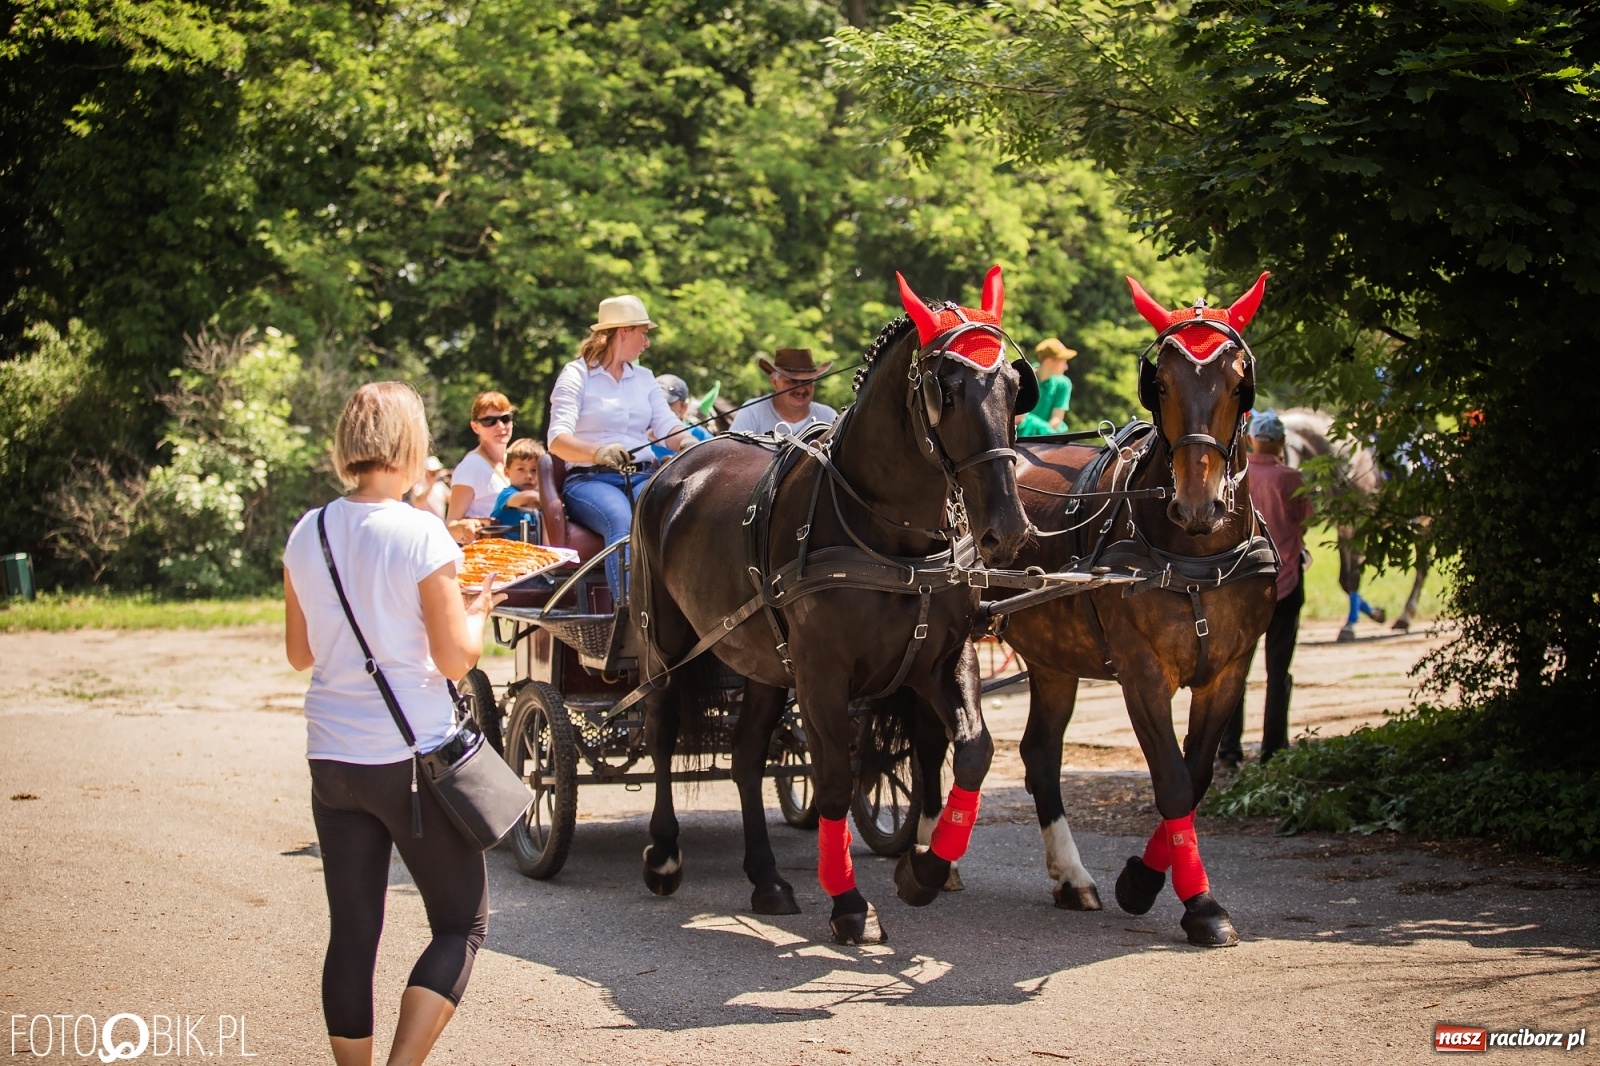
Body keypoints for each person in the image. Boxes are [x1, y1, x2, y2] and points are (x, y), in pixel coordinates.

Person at [282, 382, 504, 1066]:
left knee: (352, 934)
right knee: (459, 924)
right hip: (409, 758)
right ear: (408, 445)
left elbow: (299, 653)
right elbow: (455, 658)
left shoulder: (308, 529)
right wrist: (479, 607)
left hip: (333, 758)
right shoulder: (420, 532)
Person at [546, 294, 688, 595]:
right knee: (621, 519)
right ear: (624, 331)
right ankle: (629, 617)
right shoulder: (577, 374)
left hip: (641, 476)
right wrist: (598, 452)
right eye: (644, 333)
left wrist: (689, 441)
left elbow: (666, 425)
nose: (647, 342)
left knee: (674, 515)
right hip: (589, 479)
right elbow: (557, 440)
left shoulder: (645, 378)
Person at [1219, 409, 1315, 768]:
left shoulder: (1235, 477)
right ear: (1282, 443)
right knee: (1278, 671)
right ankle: (1273, 749)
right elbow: (1308, 519)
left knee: (1234, 669)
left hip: (1240, 586)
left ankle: (1228, 749)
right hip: (1286, 582)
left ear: (1248, 440)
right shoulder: (1292, 478)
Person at [445, 391, 515, 545]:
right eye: (489, 421)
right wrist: (469, 527)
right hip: (487, 556)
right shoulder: (471, 466)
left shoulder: (517, 462)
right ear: (475, 427)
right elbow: (450, 525)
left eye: (505, 418)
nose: (500, 426)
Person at [728, 348, 837, 436]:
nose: (801, 389)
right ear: (775, 382)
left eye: (807, 381)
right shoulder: (752, 412)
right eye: (792, 381)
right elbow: (730, 455)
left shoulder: (828, 417)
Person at [1015, 338, 1075, 437]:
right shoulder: (1023, 377)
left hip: (1047, 441)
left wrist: (1029, 422)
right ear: (1048, 361)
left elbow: (1056, 421)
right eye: (1063, 362)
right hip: (1021, 438)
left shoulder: (1064, 384)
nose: (1066, 367)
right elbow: (1016, 418)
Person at [489, 437, 545, 541]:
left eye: (534, 470)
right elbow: (530, 499)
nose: (528, 475)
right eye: (521, 469)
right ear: (506, 472)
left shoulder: (539, 497)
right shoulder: (506, 495)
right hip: (503, 552)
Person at [648, 374, 711, 461]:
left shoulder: (699, 435)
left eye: (667, 403)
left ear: (683, 408)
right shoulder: (635, 436)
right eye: (653, 402)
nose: (658, 407)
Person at [409, 455, 450, 521]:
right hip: (422, 523)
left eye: (436, 472)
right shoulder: (418, 484)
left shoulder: (440, 485)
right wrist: (432, 484)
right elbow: (418, 500)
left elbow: (451, 499)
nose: (434, 474)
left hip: (439, 524)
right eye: (432, 472)